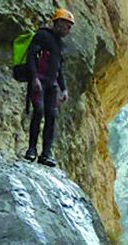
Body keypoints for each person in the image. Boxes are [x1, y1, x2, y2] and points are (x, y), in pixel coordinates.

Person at [24, 8, 74, 166]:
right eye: (67, 25)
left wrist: (63, 89)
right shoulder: (43, 35)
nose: (69, 29)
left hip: (51, 86)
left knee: (51, 117)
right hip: (39, 82)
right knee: (38, 112)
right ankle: (31, 149)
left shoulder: (60, 44)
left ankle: (46, 154)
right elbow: (31, 56)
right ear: (58, 23)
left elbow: (58, 69)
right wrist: (34, 78)